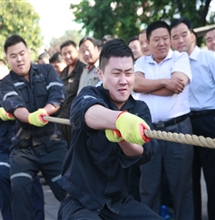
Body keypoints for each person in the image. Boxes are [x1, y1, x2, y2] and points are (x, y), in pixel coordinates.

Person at [58, 39, 161, 220]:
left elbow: (142, 152)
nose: (123, 80)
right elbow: (86, 113)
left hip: (118, 203)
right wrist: (119, 120)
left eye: (128, 73)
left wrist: (122, 136)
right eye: (116, 73)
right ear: (101, 74)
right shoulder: (89, 94)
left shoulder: (140, 109)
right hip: (80, 202)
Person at [0, 34, 68, 220]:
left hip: (52, 143)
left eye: (22, 53)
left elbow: (58, 94)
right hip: (23, 148)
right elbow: (14, 106)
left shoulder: (46, 71)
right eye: (13, 56)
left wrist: (44, 111)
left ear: (28, 52)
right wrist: (30, 117)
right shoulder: (5, 83)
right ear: (8, 59)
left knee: (70, 192)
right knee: (20, 192)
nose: (19, 59)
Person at [133, 20, 194, 220]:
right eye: (156, 39)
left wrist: (148, 86)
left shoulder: (180, 58)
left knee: (181, 188)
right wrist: (164, 80)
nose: (162, 43)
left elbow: (175, 88)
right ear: (148, 43)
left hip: (178, 131)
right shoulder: (141, 62)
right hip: (148, 132)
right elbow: (136, 86)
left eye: (165, 38)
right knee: (148, 188)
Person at [0, 58, 44, 219]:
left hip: (26, 145)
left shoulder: (23, 86)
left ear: (7, 70)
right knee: (0, 176)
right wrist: (0, 112)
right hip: (3, 147)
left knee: (30, 183)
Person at [170, 17, 215, 220]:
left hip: (209, 120)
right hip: (185, 123)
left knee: (213, 177)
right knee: (189, 178)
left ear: (193, 36)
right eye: (175, 37)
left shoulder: (209, 58)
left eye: (183, 35)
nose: (180, 40)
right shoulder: (172, 64)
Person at [59, 40, 86, 145]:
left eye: (70, 52)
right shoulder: (63, 72)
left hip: (75, 119)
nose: (67, 56)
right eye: (64, 54)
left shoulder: (84, 70)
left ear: (77, 51)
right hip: (61, 119)